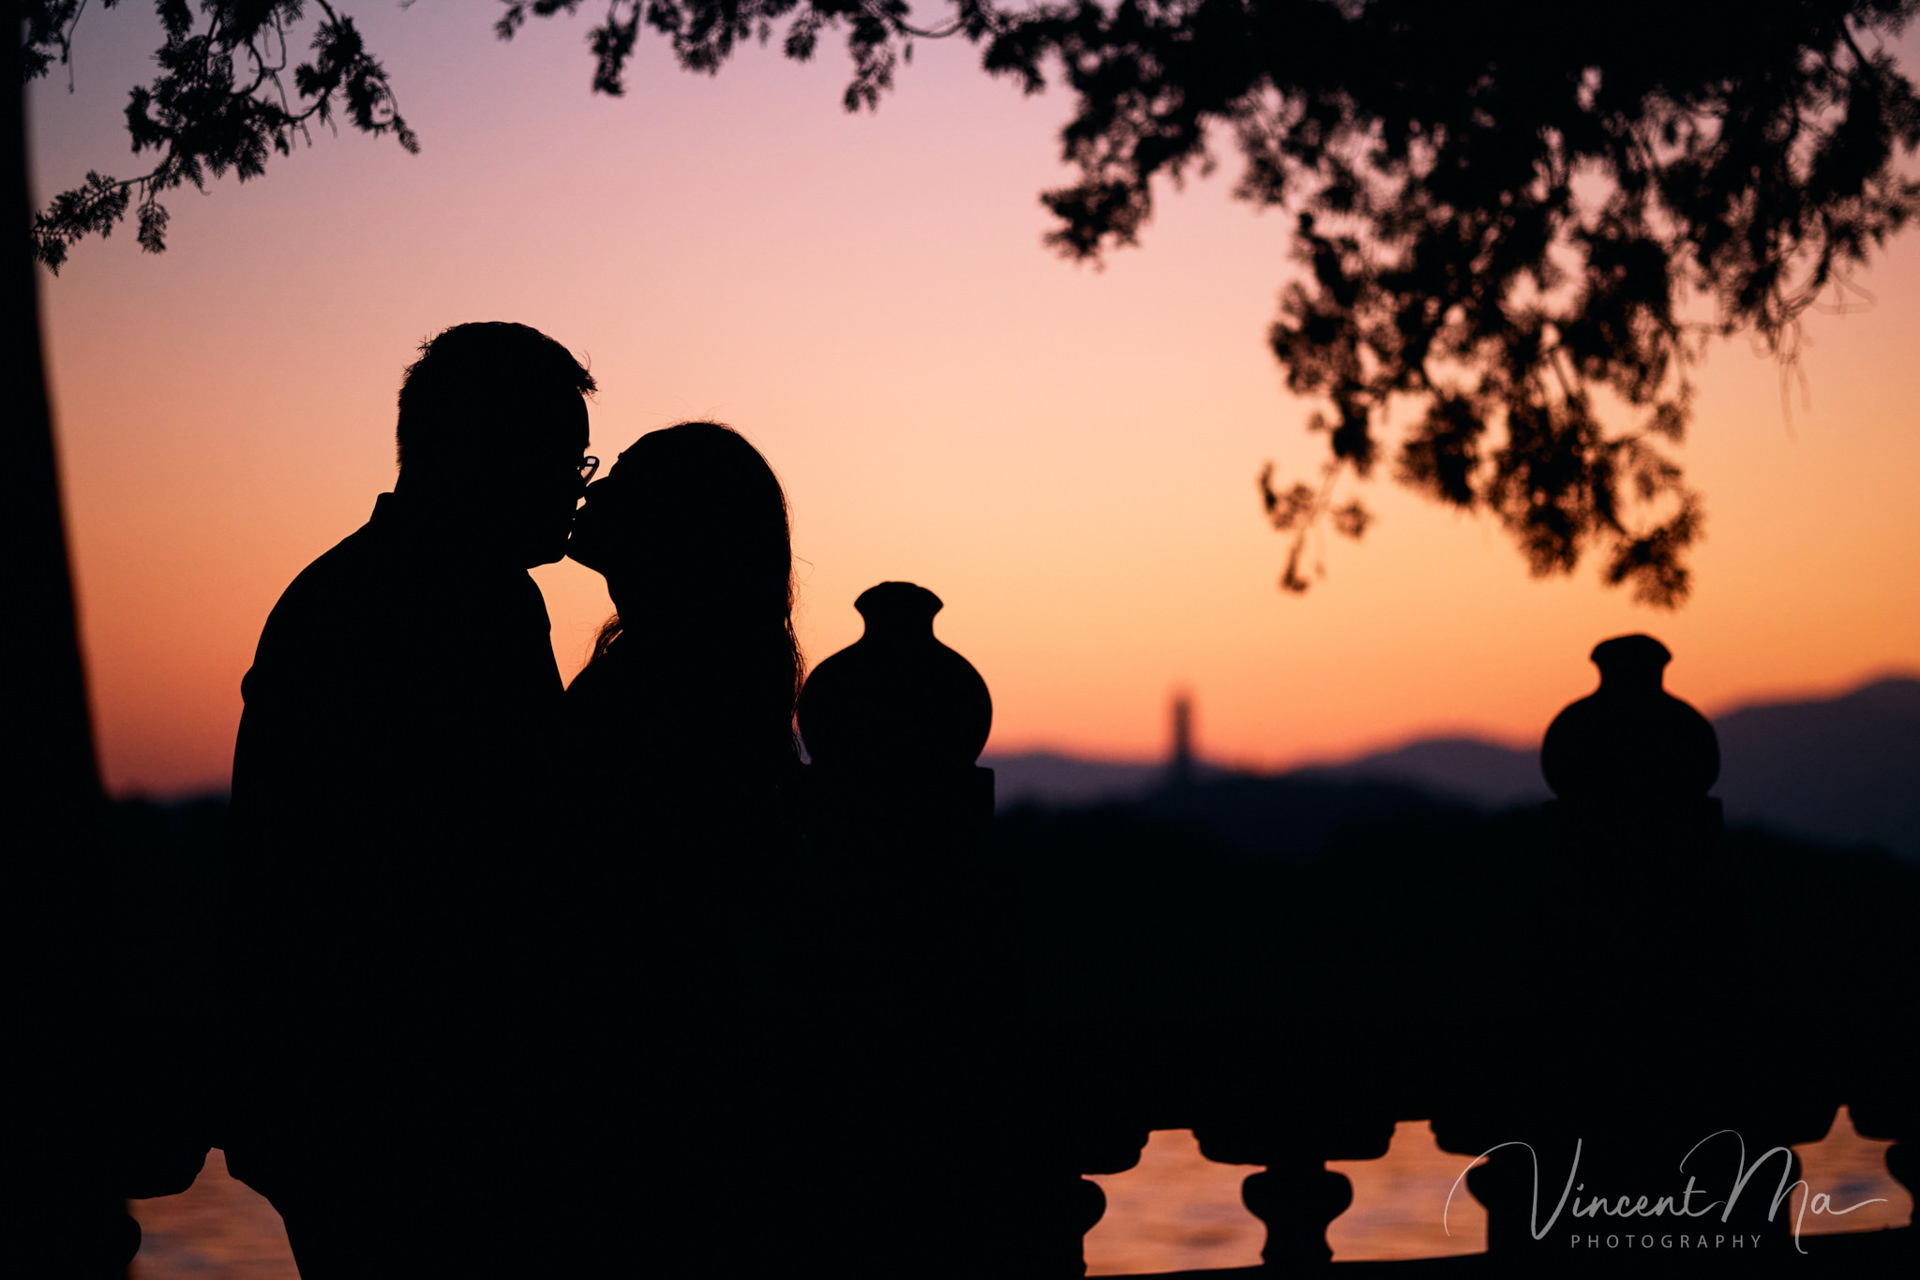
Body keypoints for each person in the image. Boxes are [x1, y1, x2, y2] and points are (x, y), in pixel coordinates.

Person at [222, 322, 597, 1278]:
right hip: (418, 1099)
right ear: (489, 453)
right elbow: (514, 857)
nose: (575, 486)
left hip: (346, 1094)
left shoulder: (358, 584)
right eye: (563, 456)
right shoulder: (463, 602)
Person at [559, 422, 807, 1275]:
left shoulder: (667, 686)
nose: (590, 493)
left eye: (619, 479)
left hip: (648, 1110)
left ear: (676, 524)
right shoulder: (702, 672)